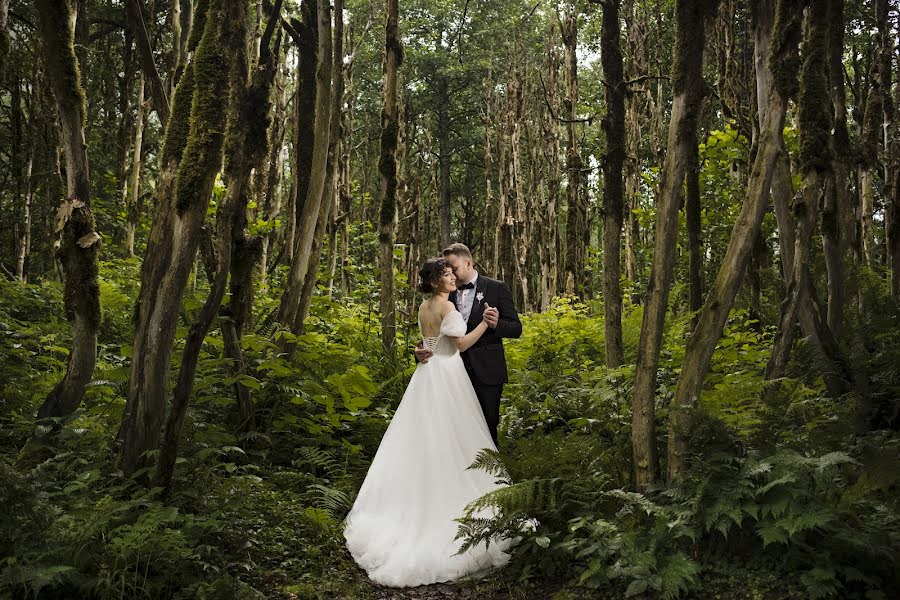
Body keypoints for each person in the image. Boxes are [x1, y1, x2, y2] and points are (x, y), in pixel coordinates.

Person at [343, 257, 512, 587]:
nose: (452, 278)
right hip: (448, 373)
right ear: (436, 281)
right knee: (453, 436)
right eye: (446, 275)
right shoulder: (448, 309)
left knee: (424, 435)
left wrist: (423, 349)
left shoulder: (423, 307)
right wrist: (485, 325)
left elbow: (428, 343)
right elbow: (459, 344)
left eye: (452, 273)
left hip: (427, 372)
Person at [415, 243, 522, 446]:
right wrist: (418, 350)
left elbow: (516, 328)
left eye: (453, 268)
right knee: (452, 430)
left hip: (487, 370)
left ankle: (488, 475)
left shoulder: (496, 288)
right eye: (447, 271)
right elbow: (434, 334)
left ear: (468, 262)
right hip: (450, 373)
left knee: (487, 428)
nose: (451, 274)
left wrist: (495, 323)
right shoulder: (445, 292)